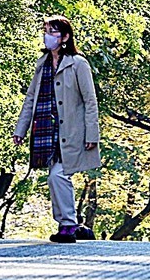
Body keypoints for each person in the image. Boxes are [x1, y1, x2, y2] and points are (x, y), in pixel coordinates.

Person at [13, 16, 101, 243]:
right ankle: (68, 224)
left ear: (65, 37)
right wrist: (20, 129)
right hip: (45, 130)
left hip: (72, 132)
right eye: (46, 30)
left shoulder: (78, 63)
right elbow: (31, 98)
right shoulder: (41, 64)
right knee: (54, 177)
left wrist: (92, 134)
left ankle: (69, 225)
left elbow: (90, 101)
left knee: (58, 175)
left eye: (52, 31)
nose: (47, 35)